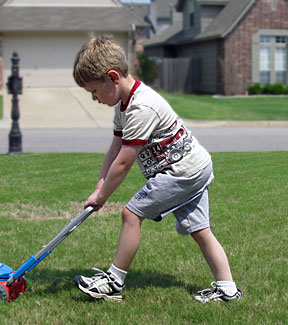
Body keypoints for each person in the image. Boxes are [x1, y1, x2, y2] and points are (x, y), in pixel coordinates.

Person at [72, 35, 241, 303]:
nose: (93, 98)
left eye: (93, 90)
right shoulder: (124, 106)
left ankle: (115, 281)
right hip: (194, 167)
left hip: (182, 171)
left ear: (113, 78)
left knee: (131, 214)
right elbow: (114, 149)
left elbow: (125, 161)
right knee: (200, 230)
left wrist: (103, 196)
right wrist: (98, 187)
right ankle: (228, 290)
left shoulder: (142, 107)